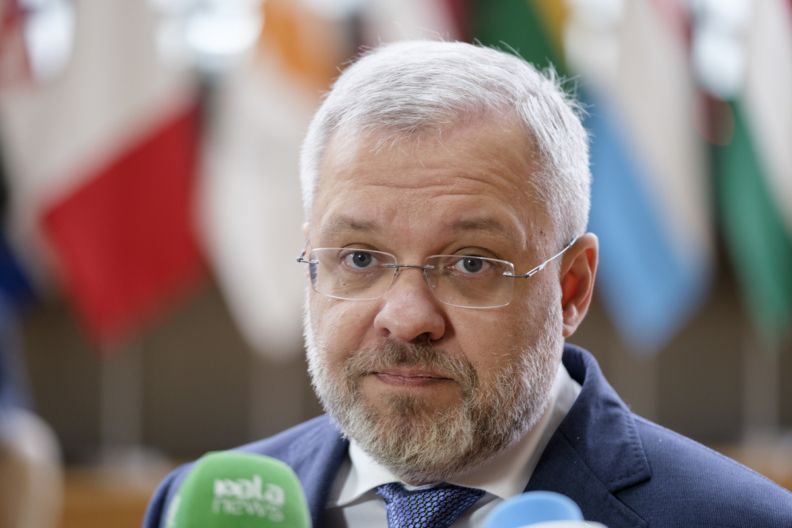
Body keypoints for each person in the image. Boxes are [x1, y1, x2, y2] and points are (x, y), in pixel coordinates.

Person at [144, 40, 792, 527]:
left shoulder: (738, 522)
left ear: (570, 288)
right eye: (361, 258)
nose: (406, 317)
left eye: (471, 264)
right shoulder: (195, 507)